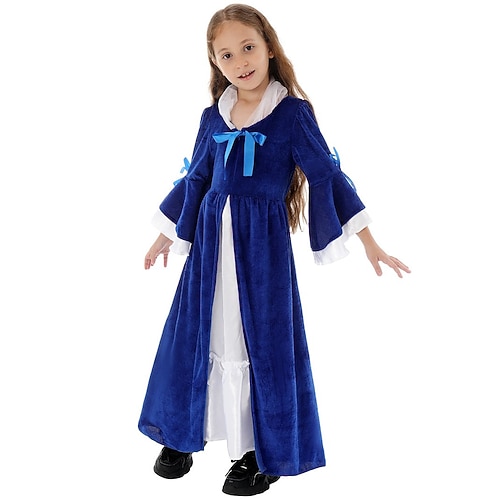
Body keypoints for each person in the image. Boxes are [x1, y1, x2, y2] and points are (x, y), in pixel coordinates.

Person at [138, 3, 411, 496]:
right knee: (199, 333)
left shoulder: (291, 115)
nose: (240, 61)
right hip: (209, 252)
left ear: (268, 47)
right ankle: (182, 433)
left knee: (258, 342)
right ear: (215, 62)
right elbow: (196, 179)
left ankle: (260, 452)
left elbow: (326, 175)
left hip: (260, 252)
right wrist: (166, 231)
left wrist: (369, 241)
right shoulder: (212, 117)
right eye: (227, 54)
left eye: (248, 47)